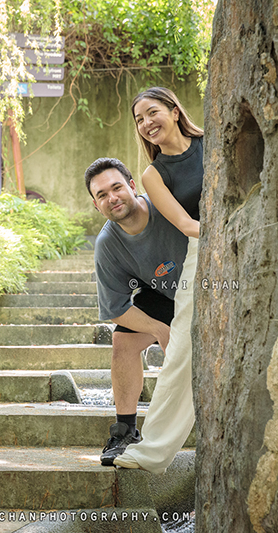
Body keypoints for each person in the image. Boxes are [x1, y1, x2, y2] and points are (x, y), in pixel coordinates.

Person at [112, 87, 204, 473]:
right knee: (181, 349)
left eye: (153, 112)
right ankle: (151, 451)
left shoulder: (211, 143)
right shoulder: (152, 175)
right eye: (139, 119)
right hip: (202, 250)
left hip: (252, 245)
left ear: (174, 110)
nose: (147, 123)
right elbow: (185, 224)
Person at [84, 157, 190, 467]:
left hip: (206, 286)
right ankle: (126, 430)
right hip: (164, 295)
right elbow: (116, 308)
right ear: (96, 206)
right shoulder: (107, 244)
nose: (111, 198)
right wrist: (160, 330)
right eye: (101, 195)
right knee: (124, 342)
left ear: (133, 186)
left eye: (116, 188)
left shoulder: (164, 205)